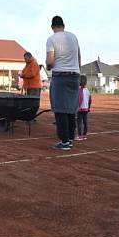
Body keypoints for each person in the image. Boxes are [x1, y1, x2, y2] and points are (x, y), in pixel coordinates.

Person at [46, 15, 81, 151]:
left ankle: (64, 141)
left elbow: (50, 61)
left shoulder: (51, 39)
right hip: (74, 75)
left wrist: (48, 67)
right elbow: (78, 57)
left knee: (60, 109)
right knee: (71, 109)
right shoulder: (73, 37)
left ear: (52, 27)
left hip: (60, 75)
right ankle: (71, 138)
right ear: (64, 25)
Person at [75, 75, 92, 141]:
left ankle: (80, 136)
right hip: (86, 108)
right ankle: (84, 135)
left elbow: (79, 99)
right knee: (85, 122)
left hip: (80, 109)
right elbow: (90, 100)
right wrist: (88, 108)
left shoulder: (79, 90)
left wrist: (77, 107)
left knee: (79, 123)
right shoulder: (87, 90)